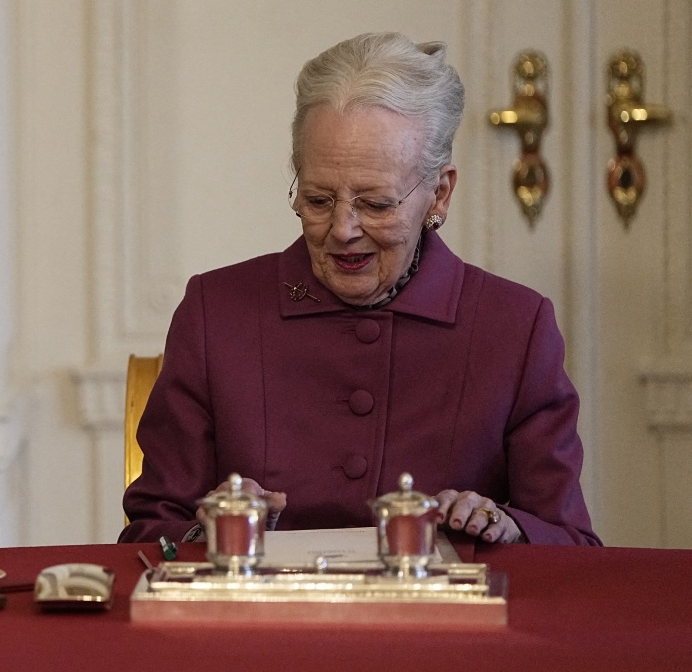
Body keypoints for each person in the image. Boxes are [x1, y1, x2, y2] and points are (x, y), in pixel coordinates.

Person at [121, 32, 599, 547]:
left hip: (445, 627)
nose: (343, 229)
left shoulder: (514, 327)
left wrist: (507, 529)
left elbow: (571, 545)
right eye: (319, 199)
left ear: (439, 193)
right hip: (262, 624)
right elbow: (151, 534)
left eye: (376, 204)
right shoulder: (216, 313)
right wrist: (210, 533)